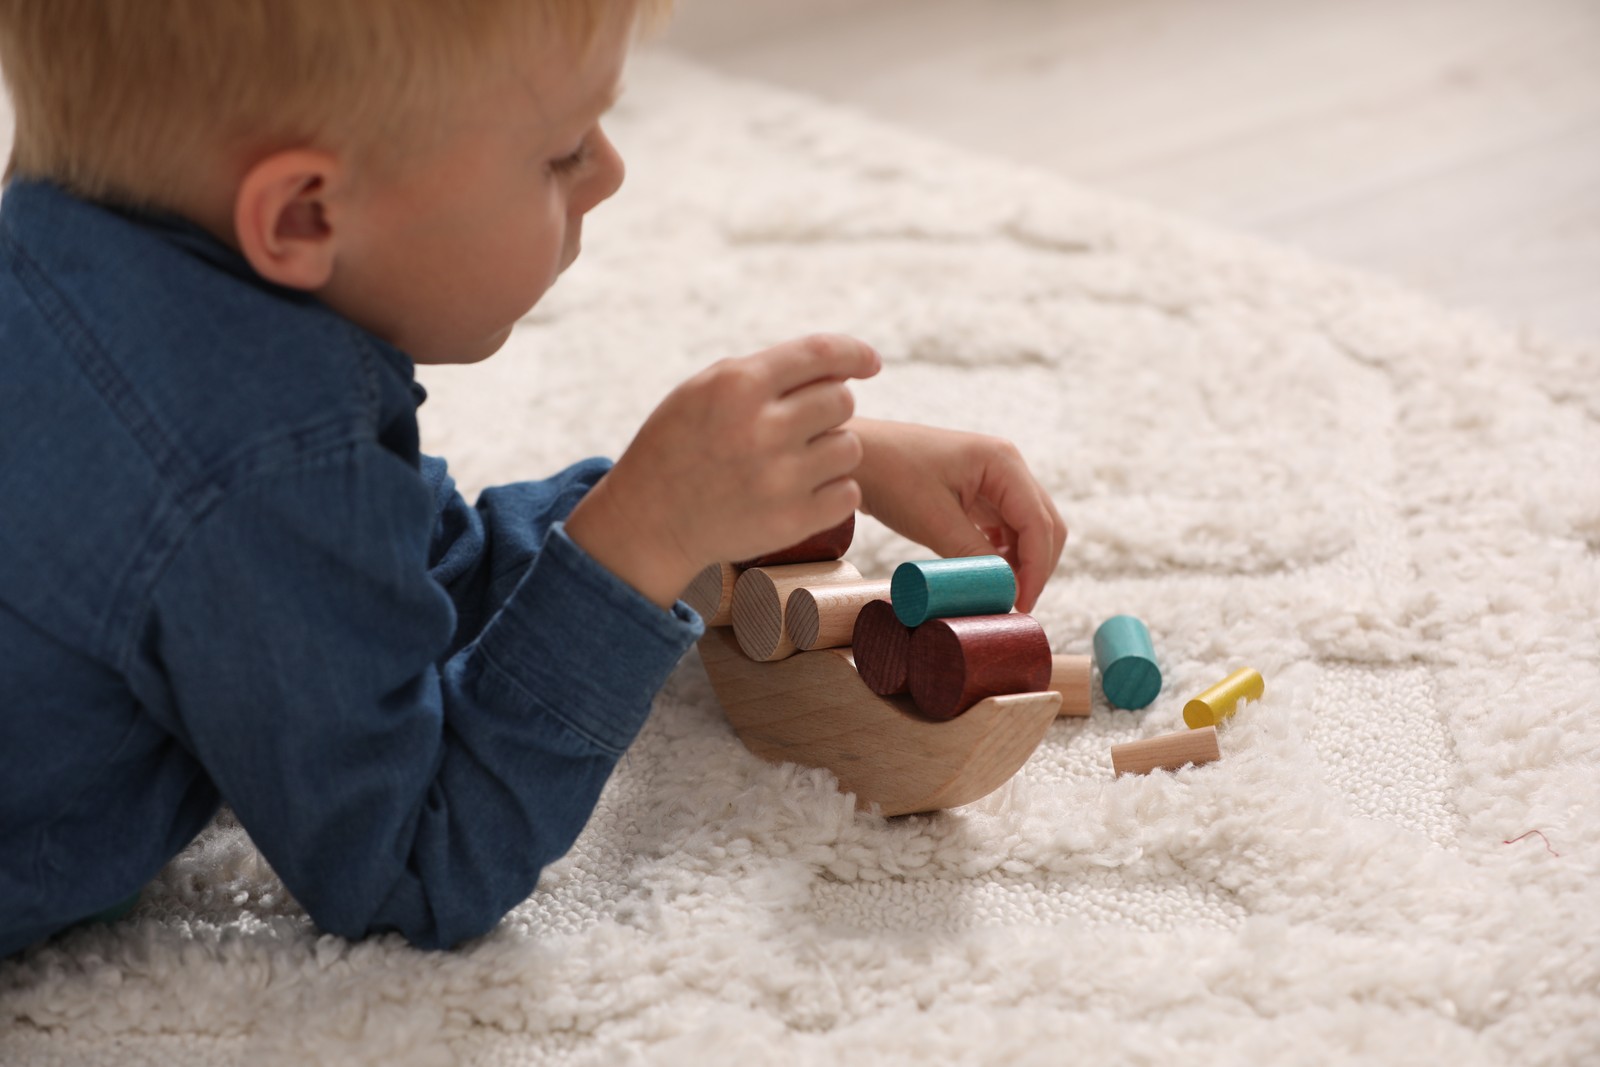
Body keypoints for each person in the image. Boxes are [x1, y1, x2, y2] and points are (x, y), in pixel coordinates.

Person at [0, 0, 1067, 956]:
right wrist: (641, 539)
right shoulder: (258, 458)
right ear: (304, 217)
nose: (611, 172)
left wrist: (791, 468)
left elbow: (406, 583)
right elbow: (415, 859)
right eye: (561, 152)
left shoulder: (78, 238)